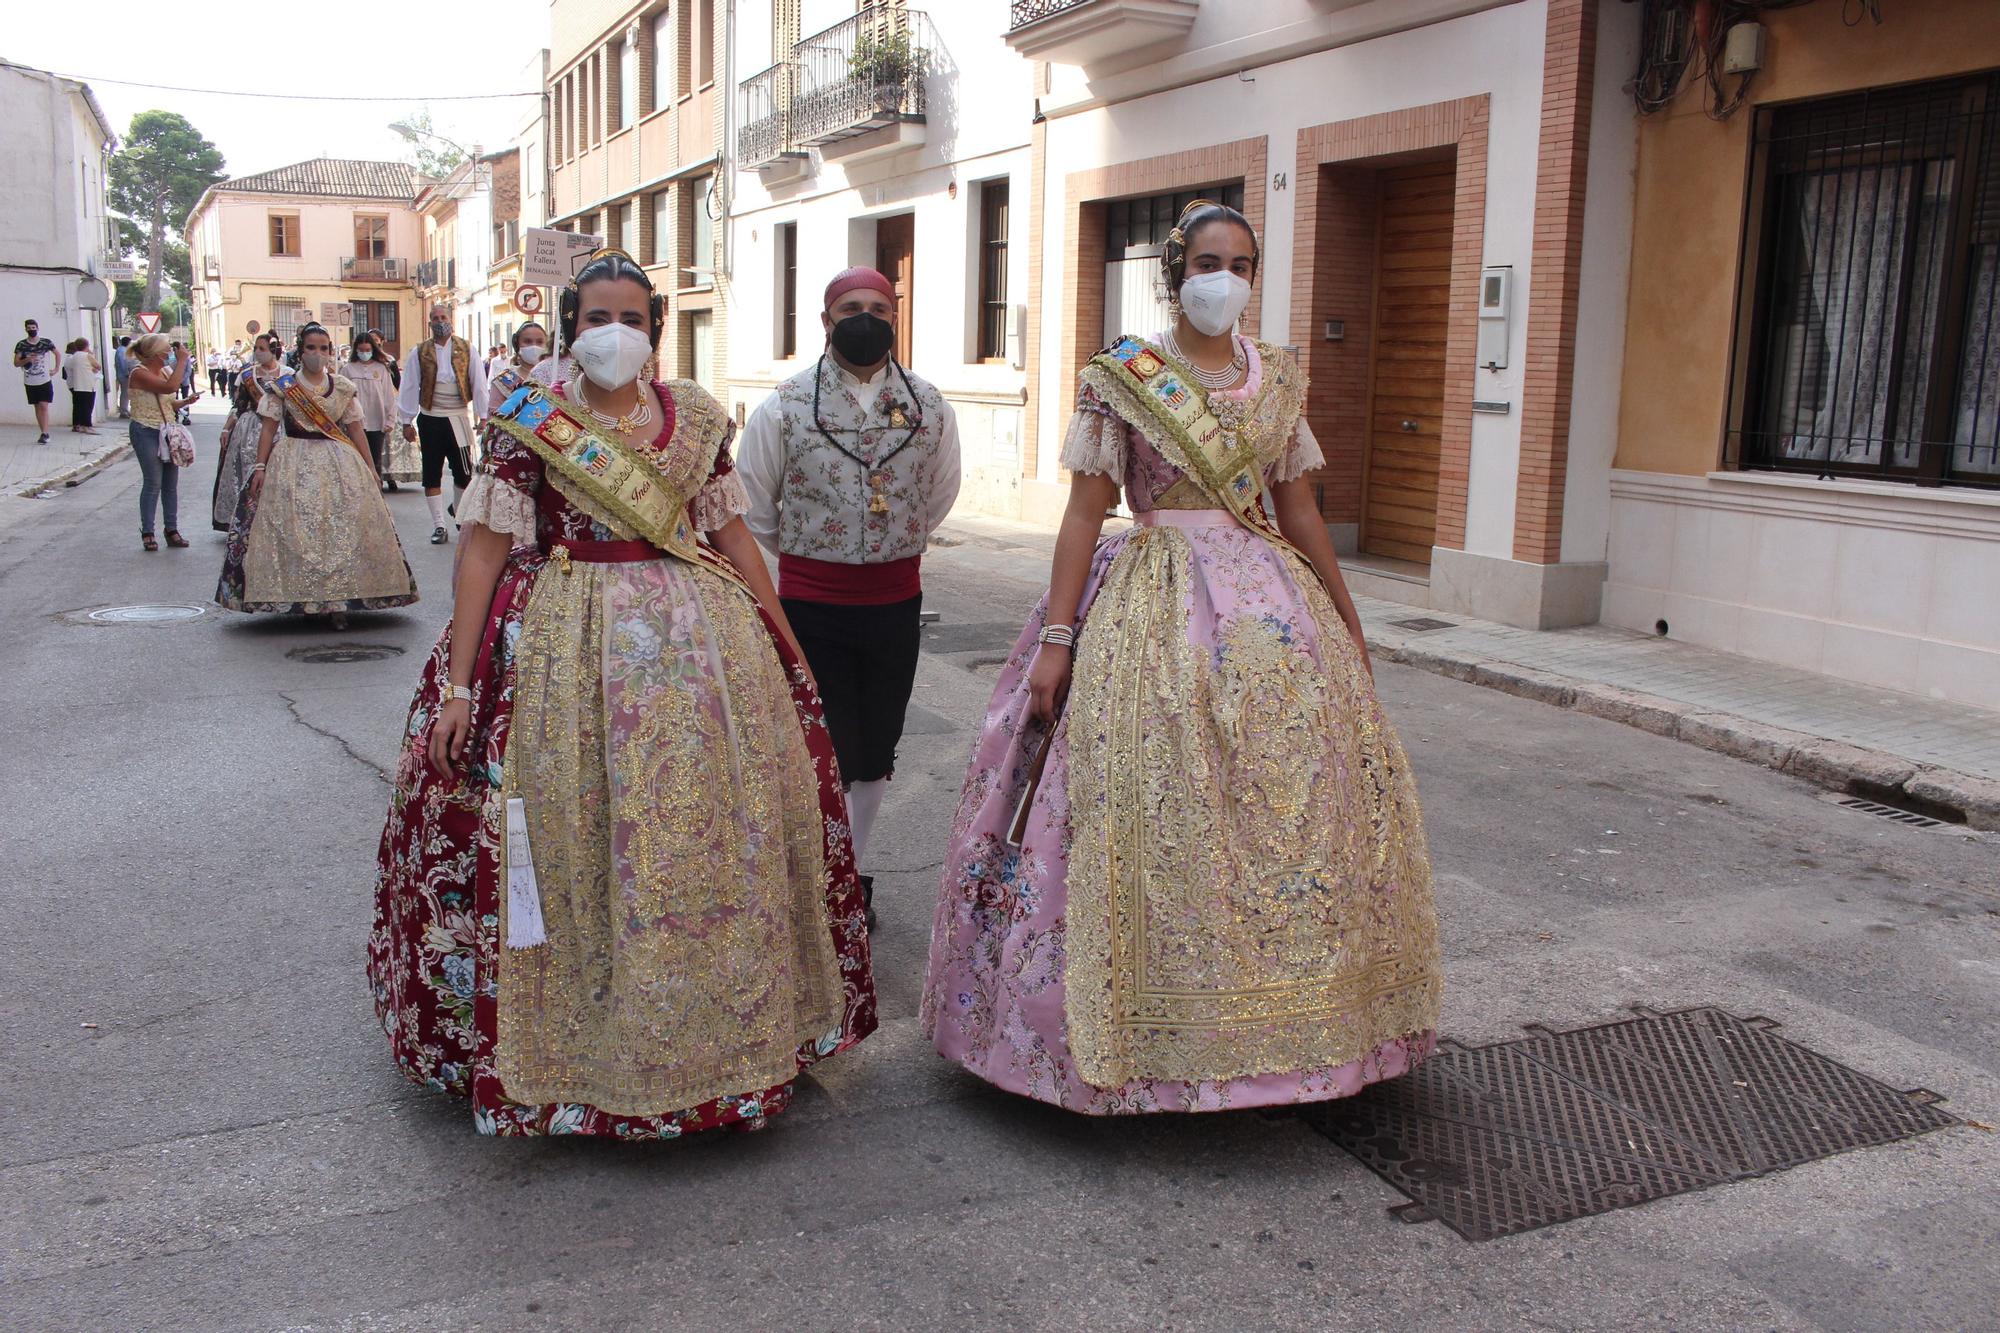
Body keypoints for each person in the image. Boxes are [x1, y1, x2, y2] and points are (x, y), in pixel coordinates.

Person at [922, 201, 1443, 1114]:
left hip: (1271, 611)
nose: (1225, 278)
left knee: (1288, 805)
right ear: (1177, 272)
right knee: (1141, 799)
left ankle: (1300, 1024)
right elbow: (1086, 511)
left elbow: (1303, 511)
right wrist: (1057, 637)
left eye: (1241, 262)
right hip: (1149, 601)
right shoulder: (1124, 375)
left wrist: (1347, 621)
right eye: (1208, 260)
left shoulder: (1276, 377)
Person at [369, 249, 876, 1139]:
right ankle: (575, 1046)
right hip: (561, 648)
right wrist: (459, 683)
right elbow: (485, 547)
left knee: (703, 836)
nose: (616, 334)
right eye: (597, 318)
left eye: (633, 319)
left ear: (656, 328)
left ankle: (714, 1041)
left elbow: (731, 533)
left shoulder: (697, 420)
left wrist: (784, 640)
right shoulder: (528, 416)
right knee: (573, 837)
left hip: (698, 648)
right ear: (571, 328)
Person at [736, 267, 962, 926]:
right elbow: (754, 508)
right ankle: (814, 875)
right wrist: (814, 553)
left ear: (895, 316)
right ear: (826, 321)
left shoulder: (927, 404)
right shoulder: (785, 404)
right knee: (821, 743)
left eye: (879, 307)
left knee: (877, 745)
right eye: (850, 308)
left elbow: (939, 492)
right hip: (811, 602)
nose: (866, 318)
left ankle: (853, 874)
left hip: (895, 600)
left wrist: (892, 542)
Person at [215, 322, 417, 627]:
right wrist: (259, 466)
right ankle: (298, 596)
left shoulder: (343, 387)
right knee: (294, 528)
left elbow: (356, 430)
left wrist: (371, 469)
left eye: (323, 348)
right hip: (292, 458)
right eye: (311, 347)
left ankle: (339, 601)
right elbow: (268, 429)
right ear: (301, 349)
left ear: (330, 352)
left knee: (341, 530)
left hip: (339, 460)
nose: (317, 354)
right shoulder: (282, 388)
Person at [396, 303, 486, 546]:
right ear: (429, 323)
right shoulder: (420, 351)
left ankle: (457, 509)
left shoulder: (467, 349)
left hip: (458, 416)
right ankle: (438, 525)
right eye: (434, 318)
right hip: (430, 417)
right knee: (432, 473)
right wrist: (407, 421)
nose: (439, 321)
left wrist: (483, 416)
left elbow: (478, 382)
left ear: (451, 319)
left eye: (443, 316)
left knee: (464, 473)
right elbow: (410, 385)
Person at [125, 333, 200, 551]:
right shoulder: (138, 373)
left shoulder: (166, 371)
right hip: (145, 430)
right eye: (166, 351)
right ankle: (148, 531)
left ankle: (172, 529)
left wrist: (186, 401)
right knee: (153, 482)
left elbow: (169, 401)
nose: (170, 354)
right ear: (155, 355)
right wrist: (184, 361)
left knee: (170, 483)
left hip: (167, 431)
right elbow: (168, 388)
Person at [212, 333, 287, 532]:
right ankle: (246, 519)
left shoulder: (288, 373)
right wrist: (227, 427)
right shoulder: (247, 374)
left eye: (262, 349)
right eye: (256, 348)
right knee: (248, 473)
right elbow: (238, 405)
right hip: (250, 429)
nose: (258, 353)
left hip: (279, 428)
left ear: (273, 350)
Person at [345, 328, 401, 492]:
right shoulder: (348, 369)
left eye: (368, 350)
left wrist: (390, 419)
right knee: (356, 460)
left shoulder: (381, 368)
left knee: (374, 461)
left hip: (377, 422)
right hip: (355, 423)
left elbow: (388, 395)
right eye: (361, 350)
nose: (364, 353)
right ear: (356, 350)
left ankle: (376, 495)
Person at [482, 321, 549, 418]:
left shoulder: (554, 376)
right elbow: (494, 419)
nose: (534, 346)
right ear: (517, 345)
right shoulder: (504, 380)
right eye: (527, 341)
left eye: (539, 342)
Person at [14, 318, 58, 444]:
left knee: (44, 405)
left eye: (33, 328)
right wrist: (27, 360)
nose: (32, 330)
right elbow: (16, 363)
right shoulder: (21, 345)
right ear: (26, 329)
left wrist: (55, 369)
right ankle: (43, 431)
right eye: (29, 328)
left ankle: (45, 432)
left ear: (37, 328)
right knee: (37, 406)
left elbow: (57, 354)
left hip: (44, 379)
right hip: (30, 380)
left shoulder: (46, 342)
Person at [63, 337, 101, 434]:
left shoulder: (73, 356)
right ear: (86, 346)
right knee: (88, 405)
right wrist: (91, 354)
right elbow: (98, 366)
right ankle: (87, 425)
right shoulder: (87, 355)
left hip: (77, 385)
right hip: (88, 384)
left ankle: (78, 425)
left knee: (78, 406)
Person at [114, 335, 133, 419]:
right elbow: (123, 363)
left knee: (125, 393)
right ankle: (123, 411)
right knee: (125, 393)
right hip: (124, 375)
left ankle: (124, 410)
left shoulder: (121, 350)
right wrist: (127, 372)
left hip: (121, 374)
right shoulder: (122, 351)